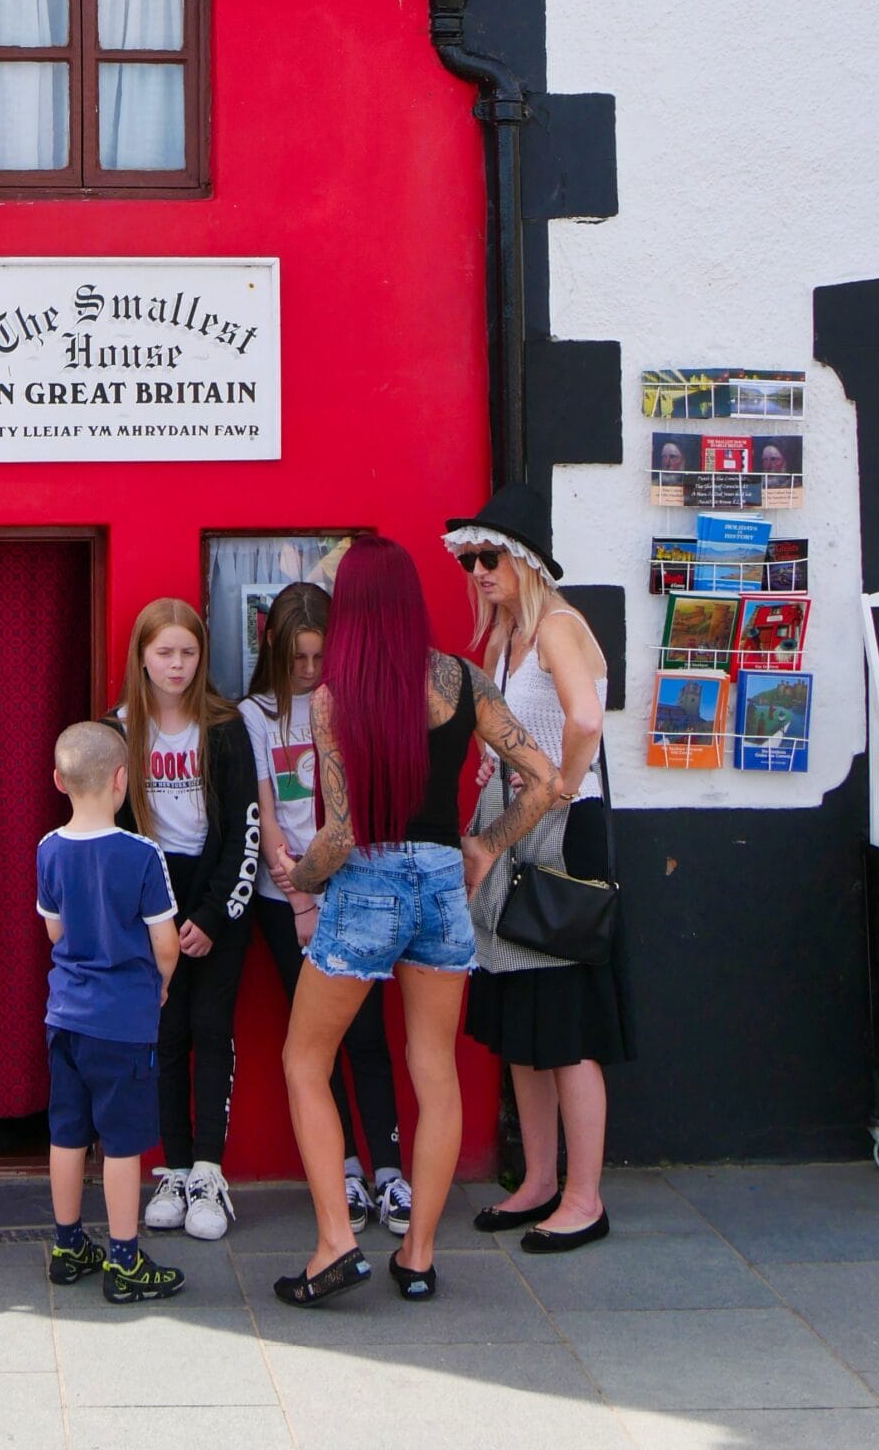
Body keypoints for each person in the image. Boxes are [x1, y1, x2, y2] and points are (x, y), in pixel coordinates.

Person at [277, 534, 558, 1307]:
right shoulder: (462, 680)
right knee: (433, 1071)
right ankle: (419, 1255)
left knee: (305, 1060)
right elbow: (544, 778)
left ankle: (336, 1241)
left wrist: (297, 878)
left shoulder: (337, 694)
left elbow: (337, 835)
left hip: (365, 883)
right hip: (440, 886)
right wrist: (483, 846)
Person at [450, 485, 632, 1254]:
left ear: (523, 560)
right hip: (514, 827)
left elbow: (586, 719)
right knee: (522, 1019)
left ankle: (584, 1197)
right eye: (470, 558)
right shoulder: (504, 638)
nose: (479, 570)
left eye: (490, 557)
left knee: (567, 1021)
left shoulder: (556, 625)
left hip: (560, 834)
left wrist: (557, 783)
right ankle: (537, 1180)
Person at [241, 583, 410, 1237]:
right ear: (274, 647)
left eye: (320, 657)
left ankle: (389, 1173)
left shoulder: (351, 704)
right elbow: (268, 818)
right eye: (299, 659)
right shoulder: (257, 715)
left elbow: (366, 806)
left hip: (357, 890)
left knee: (369, 1035)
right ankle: (342, 1169)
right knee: (318, 1040)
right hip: (286, 900)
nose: (310, 672)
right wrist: (301, 900)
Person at [111, 598, 258, 1243]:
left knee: (209, 1028)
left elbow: (245, 833)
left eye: (188, 653)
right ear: (142, 655)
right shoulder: (118, 730)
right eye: (164, 652)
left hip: (215, 893)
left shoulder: (223, 727)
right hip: (154, 896)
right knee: (164, 1035)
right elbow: (111, 835)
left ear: (203, 657)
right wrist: (152, 920)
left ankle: (207, 1171)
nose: (176, 665)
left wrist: (213, 917)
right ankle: (169, 1170)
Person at [36, 719, 185, 1305]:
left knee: (67, 1133)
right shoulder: (142, 853)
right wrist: (161, 984)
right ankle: (124, 1259)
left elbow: (54, 931)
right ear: (123, 780)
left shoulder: (48, 848)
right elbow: (166, 945)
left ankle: (68, 1246)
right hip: (123, 1021)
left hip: (65, 1016)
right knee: (122, 1143)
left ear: (58, 780)